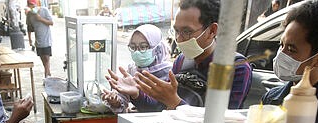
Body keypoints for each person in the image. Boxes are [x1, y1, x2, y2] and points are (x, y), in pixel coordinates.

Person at [108, 0, 252, 111]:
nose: (179, 39)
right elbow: (160, 109)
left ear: (212, 31)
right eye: (176, 31)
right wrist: (136, 94)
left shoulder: (235, 67)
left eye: (187, 31)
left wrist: (175, 102)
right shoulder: (181, 61)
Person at [102, 24, 173, 113]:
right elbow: (122, 98)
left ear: (158, 49)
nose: (137, 52)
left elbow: (163, 106)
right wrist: (115, 101)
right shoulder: (133, 70)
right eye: (133, 47)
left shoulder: (170, 72)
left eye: (143, 47)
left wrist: (137, 95)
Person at [27, 2, 53, 78]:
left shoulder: (44, 10)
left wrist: (40, 19)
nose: (32, 7)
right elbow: (29, 27)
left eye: (33, 5)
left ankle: (46, 77)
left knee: (47, 59)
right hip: (38, 41)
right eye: (30, 5)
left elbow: (51, 22)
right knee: (44, 61)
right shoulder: (29, 14)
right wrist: (30, 40)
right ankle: (48, 75)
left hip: (46, 40)